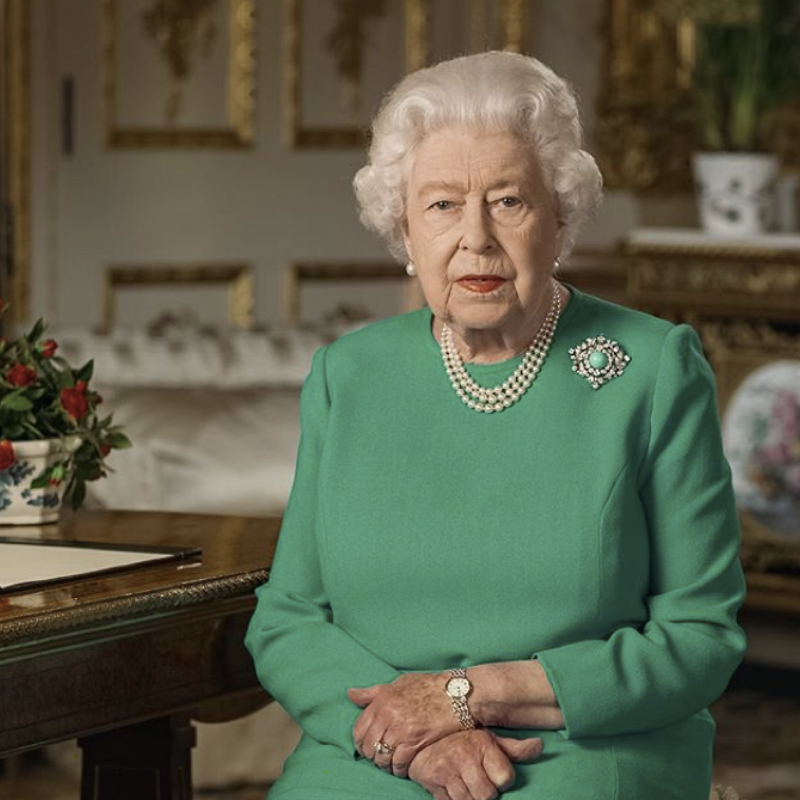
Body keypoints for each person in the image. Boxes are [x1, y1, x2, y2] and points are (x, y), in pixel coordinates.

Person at [245, 51, 746, 800]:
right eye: (442, 204)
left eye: (507, 200)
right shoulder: (348, 377)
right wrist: (416, 740)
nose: (475, 238)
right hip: (380, 750)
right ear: (403, 230)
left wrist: (467, 695)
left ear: (559, 216)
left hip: (582, 747)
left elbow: (702, 637)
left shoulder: (652, 369)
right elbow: (287, 620)